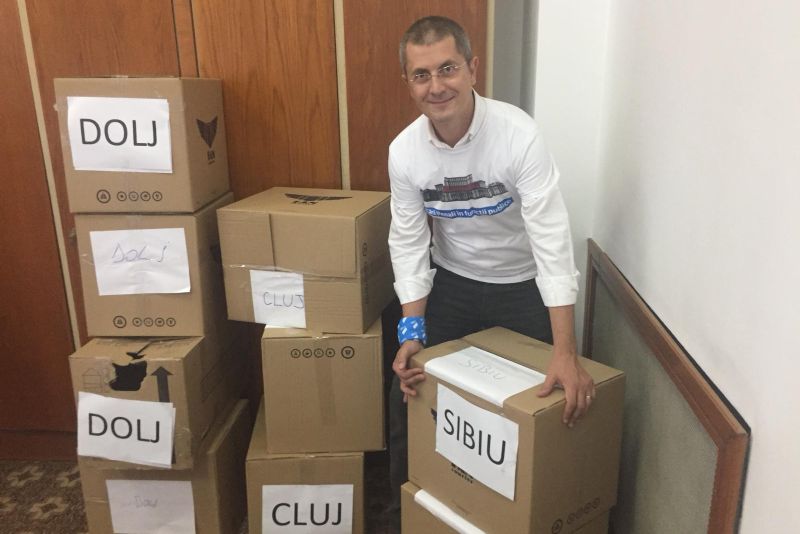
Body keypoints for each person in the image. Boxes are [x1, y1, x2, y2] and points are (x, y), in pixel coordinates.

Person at [386, 15, 595, 530]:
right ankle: (407, 514)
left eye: (448, 68)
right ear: (408, 82)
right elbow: (408, 243)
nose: (437, 86)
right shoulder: (404, 152)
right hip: (453, 284)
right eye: (421, 75)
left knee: (536, 408)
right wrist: (412, 331)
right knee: (409, 390)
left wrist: (566, 349)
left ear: (473, 69)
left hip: (522, 287)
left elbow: (550, 239)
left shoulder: (518, 135)